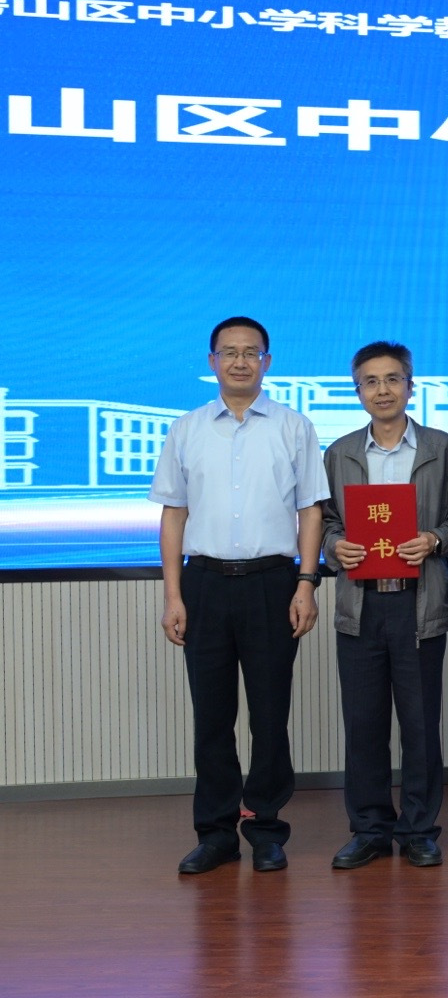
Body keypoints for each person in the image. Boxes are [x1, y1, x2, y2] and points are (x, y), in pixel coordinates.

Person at [151, 316, 328, 876]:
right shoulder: (186, 429)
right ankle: (216, 833)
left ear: (267, 362)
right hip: (203, 583)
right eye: (229, 352)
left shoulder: (294, 427)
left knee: (270, 715)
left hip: (273, 583)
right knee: (212, 716)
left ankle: (267, 830)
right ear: (212, 362)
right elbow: (174, 514)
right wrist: (173, 595)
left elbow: (311, 510)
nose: (240, 361)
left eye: (251, 352)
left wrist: (306, 582)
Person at [318, 342, 448, 869]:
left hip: (419, 606)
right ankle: (369, 829)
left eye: (392, 379)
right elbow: (324, 522)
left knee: (420, 726)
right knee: (364, 725)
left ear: (410, 385)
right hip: (360, 606)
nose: (383, 390)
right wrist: (334, 546)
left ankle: (419, 829)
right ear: (357, 391)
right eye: (371, 382)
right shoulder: (339, 454)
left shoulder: (442, 449)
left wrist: (435, 540)